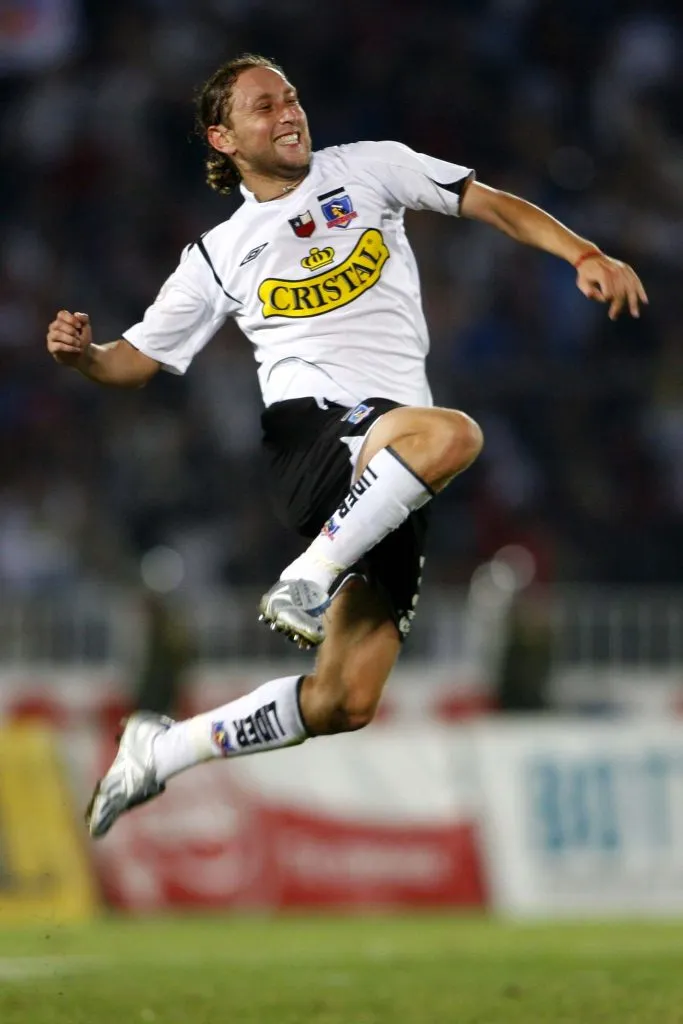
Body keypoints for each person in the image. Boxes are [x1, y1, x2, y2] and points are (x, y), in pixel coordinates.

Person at [46, 54, 648, 839]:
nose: (289, 112)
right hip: (316, 434)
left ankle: (161, 750)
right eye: (265, 106)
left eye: (291, 95)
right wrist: (84, 358)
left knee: (344, 700)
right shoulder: (218, 253)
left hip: (393, 463)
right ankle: (307, 577)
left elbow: (489, 203)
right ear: (222, 137)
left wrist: (583, 253)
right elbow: (135, 361)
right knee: (454, 432)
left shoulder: (369, 169)